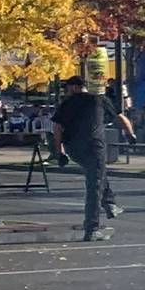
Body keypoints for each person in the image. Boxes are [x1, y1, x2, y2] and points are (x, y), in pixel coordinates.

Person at [53, 76, 130, 241]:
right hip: (94, 145)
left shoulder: (67, 104)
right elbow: (120, 117)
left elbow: (57, 128)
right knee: (94, 184)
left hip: (73, 147)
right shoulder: (100, 99)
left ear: (74, 87)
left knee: (96, 174)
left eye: (68, 88)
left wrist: (59, 151)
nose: (67, 91)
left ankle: (110, 203)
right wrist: (130, 134)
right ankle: (92, 227)